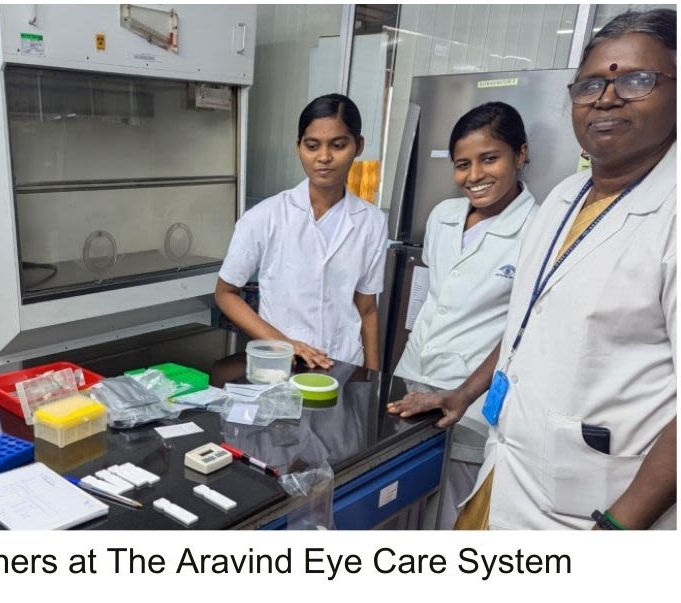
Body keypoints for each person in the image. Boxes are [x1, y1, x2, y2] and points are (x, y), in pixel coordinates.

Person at [388, 8, 677, 530]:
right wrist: (464, 393)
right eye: (590, 84)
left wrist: (619, 528)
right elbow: (527, 325)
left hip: (597, 504)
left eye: (637, 80)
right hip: (509, 466)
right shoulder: (564, 200)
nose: (607, 97)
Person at [392, 102, 537, 529]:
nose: (474, 176)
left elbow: (521, 333)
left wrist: (465, 393)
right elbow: (435, 299)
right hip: (413, 377)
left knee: (452, 512)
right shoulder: (443, 216)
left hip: (469, 398)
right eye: (462, 164)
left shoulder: (537, 228)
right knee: (402, 499)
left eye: (489, 158)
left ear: (521, 154)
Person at [215, 94, 387, 370]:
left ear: (358, 146)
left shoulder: (372, 222)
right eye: (312, 145)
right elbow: (225, 293)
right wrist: (283, 343)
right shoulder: (266, 216)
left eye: (338, 145)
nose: (324, 157)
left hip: (342, 364)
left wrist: (372, 380)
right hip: (281, 365)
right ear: (298, 148)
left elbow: (367, 309)